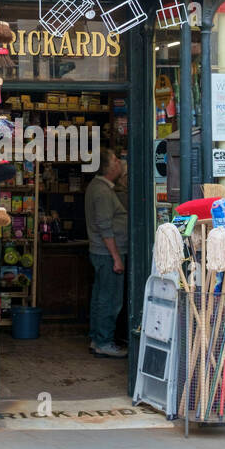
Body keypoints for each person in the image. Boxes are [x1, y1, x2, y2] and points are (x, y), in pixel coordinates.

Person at [84, 148, 128, 358]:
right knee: (110, 299)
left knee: (101, 297)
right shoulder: (101, 191)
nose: (120, 162)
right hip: (107, 253)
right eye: (116, 159)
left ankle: (97, 339)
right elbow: (104, 226)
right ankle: (104, 341)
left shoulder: (101, 187)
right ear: (108, 167)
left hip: (103, 253)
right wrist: (116, 257)